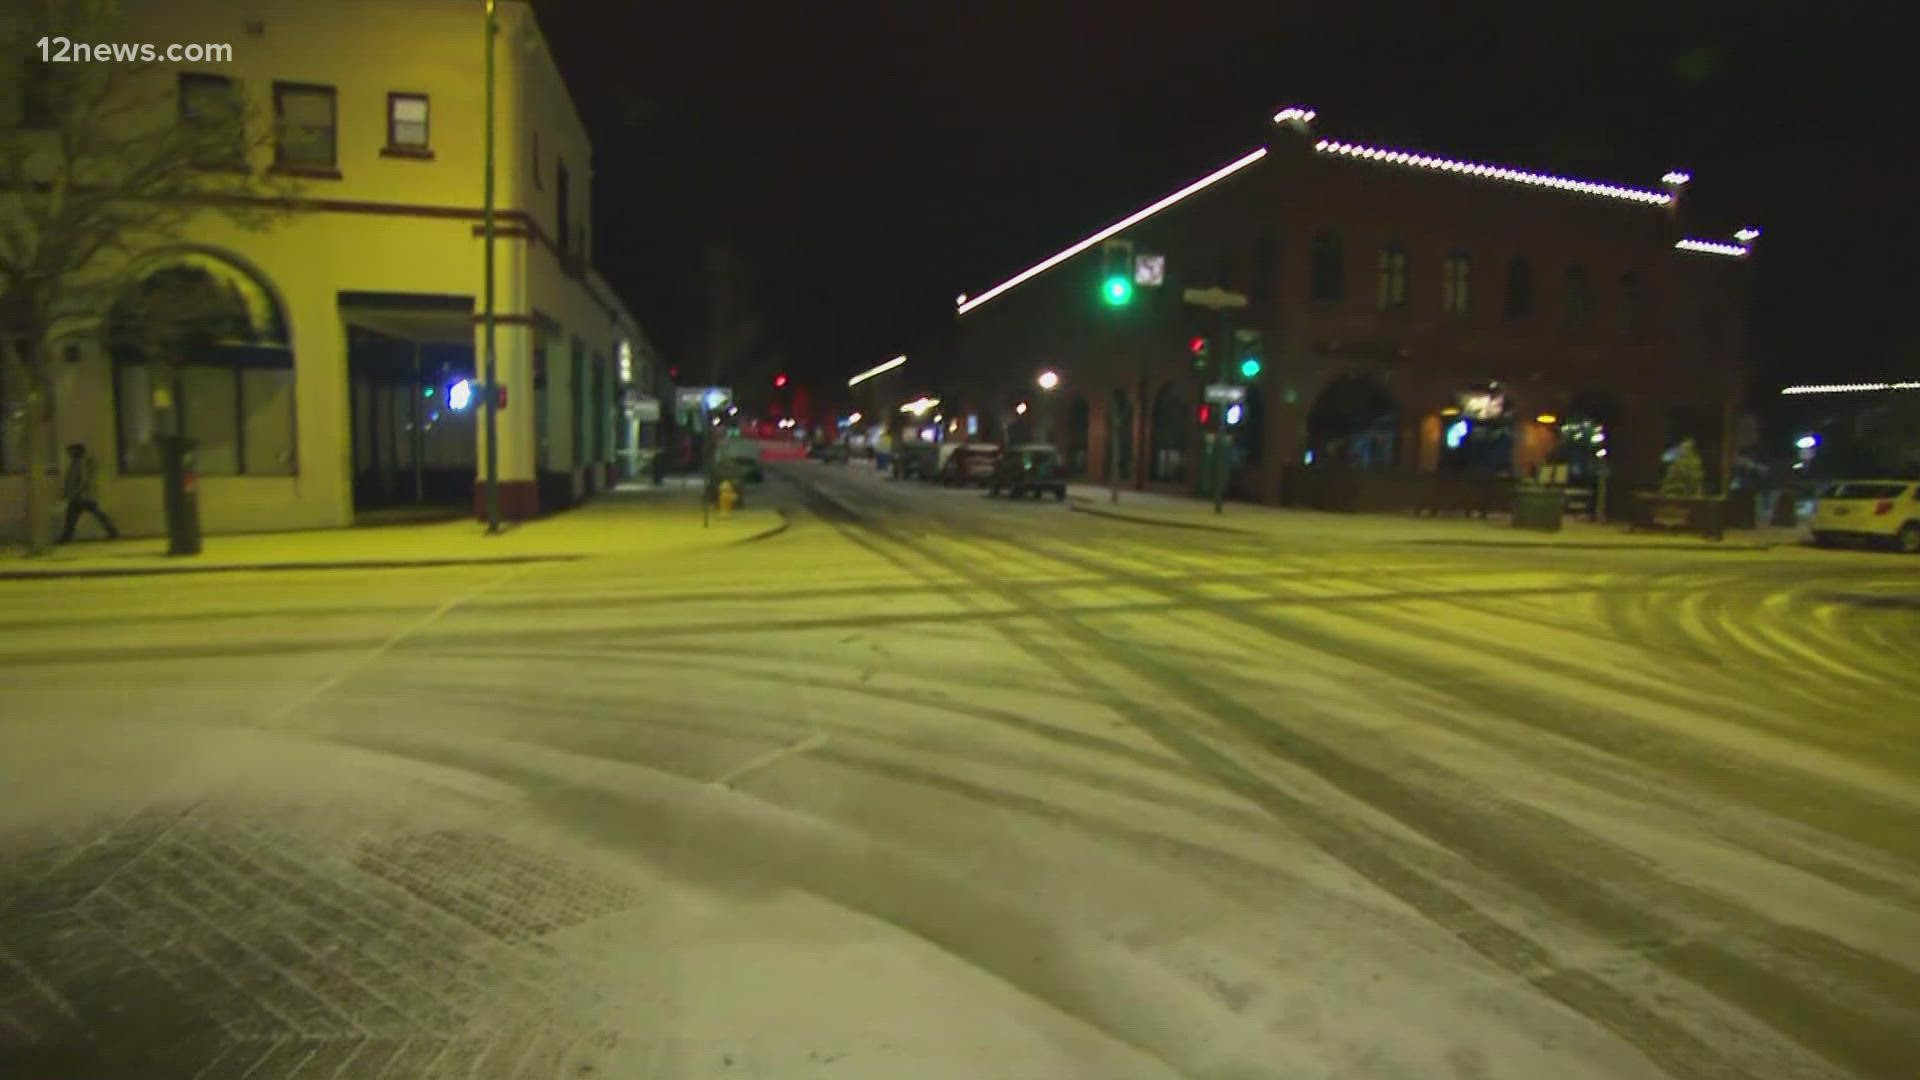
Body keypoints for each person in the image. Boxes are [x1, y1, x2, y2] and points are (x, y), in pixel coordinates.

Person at [58, 442, 119, 542]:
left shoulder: (80, 463)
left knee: (73, 517)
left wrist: (73, 492)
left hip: (82, 496)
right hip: (82, 496)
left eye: (70, 451)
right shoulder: (78, 462)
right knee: (93, 515)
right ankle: (113, 532)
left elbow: (82, 480)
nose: (68, 454)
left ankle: (66, 537)